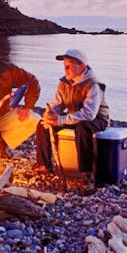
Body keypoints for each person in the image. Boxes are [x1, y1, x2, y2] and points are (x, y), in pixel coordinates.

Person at [35, 49, 110, 177]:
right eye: (64, 66)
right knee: (42, 124)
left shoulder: (93, 85)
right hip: (74, 116)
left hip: (96, 119)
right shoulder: (64, 82)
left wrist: (60, 120)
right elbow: (59, 103)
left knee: (83, 128)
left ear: (81, 66)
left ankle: (86, 174)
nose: (65, 69)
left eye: (69, 66)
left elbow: (89, 114)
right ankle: (44, 165)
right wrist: (51, 113)